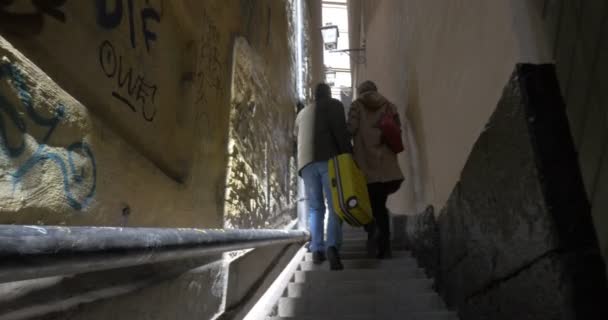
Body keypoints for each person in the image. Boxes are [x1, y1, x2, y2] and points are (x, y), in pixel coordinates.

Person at [294, 83, 352, 270]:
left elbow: (295, 137)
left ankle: (317, 248)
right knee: (336, 205)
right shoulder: (334, 105)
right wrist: (349, 157)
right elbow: (341, 133)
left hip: (306, 165)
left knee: (315, 208)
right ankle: (332, 247)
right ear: (328, 94)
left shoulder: (301, 114)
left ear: (314, 96)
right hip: (329, 161)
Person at [347, 81, 404, 259]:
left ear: (360, 91)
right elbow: (397, 130)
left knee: (370, 205)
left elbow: (351, 129)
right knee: (381, 205)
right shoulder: (388, 105)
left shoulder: (356, 106)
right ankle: (384, 247)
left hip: (365, 166)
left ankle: (372, 230)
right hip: (385, 167)